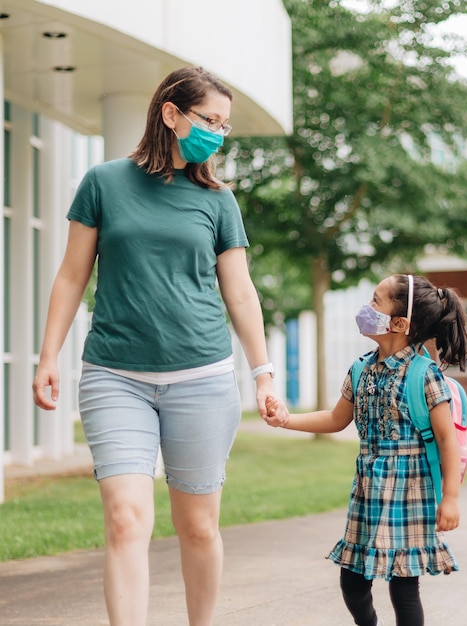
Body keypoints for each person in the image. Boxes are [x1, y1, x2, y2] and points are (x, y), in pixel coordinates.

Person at [32, 66, 286, 626]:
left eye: (224, 126)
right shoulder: (103, 183)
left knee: (197, 526)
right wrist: (47, 355)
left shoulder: (218, 200)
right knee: (126, 519)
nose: (217, 135)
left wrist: (263, 371)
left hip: (202, 376)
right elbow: (73, 275)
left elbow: (240, 294)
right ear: (171, 114)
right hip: (115, 374)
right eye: (209, 121)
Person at [265, 273, 467, 626]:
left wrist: (449, 498)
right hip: (369, 493)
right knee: (353, 581)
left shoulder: (425, 374)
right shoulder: (361, 369)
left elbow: (446, 442)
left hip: (410, 494)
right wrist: (287, 420)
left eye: (376, 301)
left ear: (400, 322)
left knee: (404, 589)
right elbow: (334, 419)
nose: (366, 308)